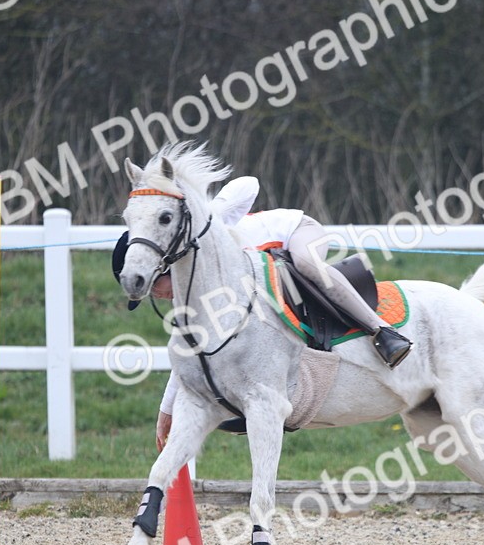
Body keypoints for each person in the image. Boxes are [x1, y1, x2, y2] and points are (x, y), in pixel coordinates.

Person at [132, 176, 412, 450]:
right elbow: (191, 349)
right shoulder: (200, 291)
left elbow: (250, 183)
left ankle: (383, 331)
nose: (159, 296)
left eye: (156, 288)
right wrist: (166, 409)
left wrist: (214, 212)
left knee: (306, 263)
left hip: (298, 233)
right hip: (273, 273)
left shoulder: (216, 245)